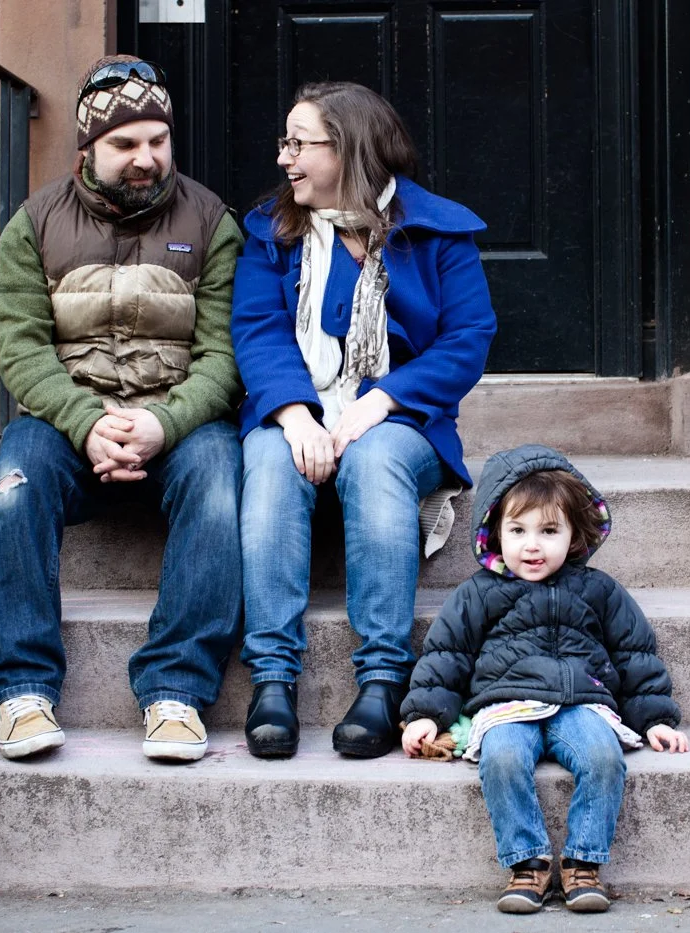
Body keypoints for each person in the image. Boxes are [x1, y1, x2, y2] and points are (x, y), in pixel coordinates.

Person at [0, 55, 244, 763]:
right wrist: (88, 420)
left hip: (177, 424)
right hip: (68, 427)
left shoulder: (213, 222)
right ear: (88, 149)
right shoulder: (33, 225)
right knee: (11, 489)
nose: (146, 158)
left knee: (222, 480)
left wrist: (163, 423)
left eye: (158, 141)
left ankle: (177, 690)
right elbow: (22, 348)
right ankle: (22, 688)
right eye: (126, 144)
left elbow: (224, 357)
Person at [231, 82, 496, 759]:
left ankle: (381, 677)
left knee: (376, 460)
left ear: (346, 148)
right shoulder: (271, 229)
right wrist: (294, 415)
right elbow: (257, 329)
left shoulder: (437, 230)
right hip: (297, 407)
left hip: (402, 420)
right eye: (284, 142)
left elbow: (468, 336)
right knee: (266, 459)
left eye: (300, 143)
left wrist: (381, 401)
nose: (284, 157)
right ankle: (271, 677)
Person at [399, 445, 690, 914]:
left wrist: (654, 718)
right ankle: (527, 863)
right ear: (495, 534)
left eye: (549, 531)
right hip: (506, 703)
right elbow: (446, 656)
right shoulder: (478, 593)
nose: (532, 545)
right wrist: (425, 715)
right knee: (503, 760)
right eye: (517, 531)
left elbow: (635, 656)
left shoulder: (598, 590)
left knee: (602, 757)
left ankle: (584, 863)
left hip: (582, 701)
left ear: (574, 535)